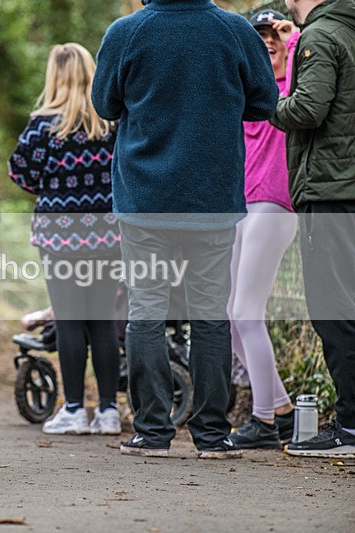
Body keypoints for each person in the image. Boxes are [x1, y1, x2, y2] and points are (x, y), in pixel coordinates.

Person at [92, 0, 278, 459]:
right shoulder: (234, 30)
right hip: (212, 197)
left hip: (145, 199)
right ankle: (212, 435)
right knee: (211, 314)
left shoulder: (127, 32)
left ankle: (153, 431)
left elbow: (104, 103)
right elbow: (265, 102)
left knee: (147, 311)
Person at [9, 43, 122, 435]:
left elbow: (20, 173)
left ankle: (74, 408)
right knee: (103, 321)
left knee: (71, 321)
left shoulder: (44, 125)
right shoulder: (110, 121)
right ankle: (108, 411)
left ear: (54, 77)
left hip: (59, 238)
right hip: (108, 234)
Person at [270, 0, 355, 458]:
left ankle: (350, 426)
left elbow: (308, 109)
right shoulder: (340, 31)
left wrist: (267, 102)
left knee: (332, 307)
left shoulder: (321, 37)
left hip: (329, 189)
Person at [227, 9, 298, 450]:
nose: (268, 40)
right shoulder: (249, 92)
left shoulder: (295, 87)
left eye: (275, 33)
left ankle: (264, 419)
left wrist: (292, 38)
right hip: (241, 206)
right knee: (229, 315)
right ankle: (283, 411)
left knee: (245, 312)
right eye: (261, 35)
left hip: (275, 205)